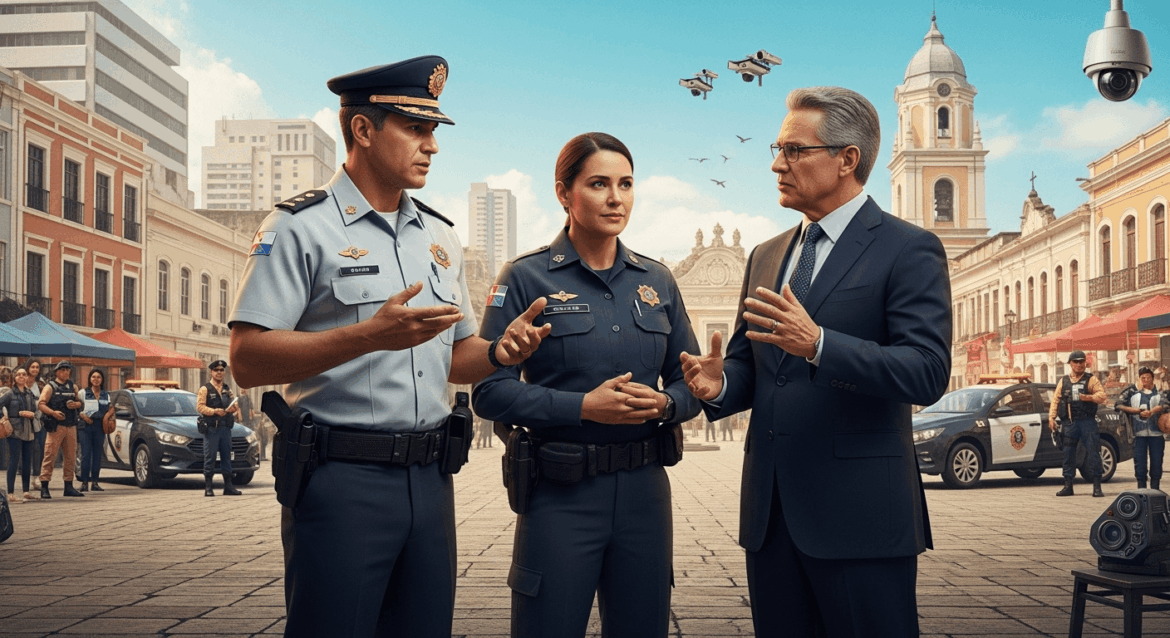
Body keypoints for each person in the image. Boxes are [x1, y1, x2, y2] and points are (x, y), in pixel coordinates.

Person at [227, 55, 549, 638]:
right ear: (363, 129)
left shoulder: (440, 237)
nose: (432, 146)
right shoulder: (298, 227)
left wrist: (501, 353)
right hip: (341, 479)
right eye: (416, 128)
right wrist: (366, 336)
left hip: (431, 480)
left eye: (433, 131)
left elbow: (455, 357)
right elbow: (247, 359)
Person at [680, 86, 952, 638]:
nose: (777, 164)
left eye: (795, 151)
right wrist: (719, 385)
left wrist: (822, 344)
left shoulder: (908, 248)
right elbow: (754, 368)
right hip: (771, 517)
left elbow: (926, 370)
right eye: (777, 150)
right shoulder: (766, 255)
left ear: (847, 159)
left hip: (861, 519)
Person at [473, 132, 702, 638]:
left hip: (645, 494)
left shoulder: (657, 280)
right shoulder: (525, 277)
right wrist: (582, 407)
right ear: (564, 193)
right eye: (599, 184)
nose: (616, 198)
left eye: (626, 184)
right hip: (560, 493)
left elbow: (690, 382)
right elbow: (488, 392)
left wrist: (667, 403)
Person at [1049, 351, 1108, 497]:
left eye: (1082, 362)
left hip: (1087, 422)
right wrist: (1051, 418)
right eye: (1076, 362)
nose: (1079, 364)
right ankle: (1068, 486)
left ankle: (1097, 487)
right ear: (1070, 363)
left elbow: (1102, 396)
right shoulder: (1063, 381)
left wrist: (1089, 397)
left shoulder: (1091, 379)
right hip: (1070, 423)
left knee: (1093, 453)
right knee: (1068, 454)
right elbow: (1055, 400)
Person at [36, 360, 85, 499]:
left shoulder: (73, 386)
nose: (66, 372)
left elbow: (80, 402)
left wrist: (76, 404)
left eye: (68, 370)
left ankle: (68, 486)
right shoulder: (50, 387)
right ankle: (44, 486)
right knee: (50, 456)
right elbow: (41, 404)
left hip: (71, 425)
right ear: (57, 372)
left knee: (70, 457)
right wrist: (53, 413)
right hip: (56, 426)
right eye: (63, 370)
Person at [1116, 366, 1166, 490]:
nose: (1145, 380)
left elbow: (1165, 404)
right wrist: (1136, 411)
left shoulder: (1160, 392)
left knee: (1157, 463)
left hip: (1157, 433)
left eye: (1148, 377)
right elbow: (1118, 405)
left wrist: (1152, 411)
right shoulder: (1132, 392)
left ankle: (1155, 489)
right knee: (1140, 464)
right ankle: (1141, 490)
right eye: (1143, 378)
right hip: (1138, 434)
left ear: (1152, 379)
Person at [196, 360, 241, 497]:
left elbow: (235, 405)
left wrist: (232, 409)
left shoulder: (227, 389)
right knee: (210, 457)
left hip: (225, 428)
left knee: (227, 457)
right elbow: (200, 407)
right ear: (211, 372)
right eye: (216, 370)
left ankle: (228, 487)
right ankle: (208, 487)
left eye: (221, 370)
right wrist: (214, 411)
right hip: (212, 429)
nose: (219, 372)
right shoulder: (205, 389)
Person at [3, 368, 37, 503]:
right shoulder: (9, 394)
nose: (21, 376)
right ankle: (10, 493)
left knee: (27, 462)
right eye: (18, 374)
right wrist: (5, 418)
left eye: (24, 374)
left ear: (27, 377)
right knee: (14, 461)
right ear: (14, 378)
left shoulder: (29, 393)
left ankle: (26, 491)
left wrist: (32, 414)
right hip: (14, 431)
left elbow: (34, 409)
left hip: (28, 430)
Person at [77, 367, 114, 492]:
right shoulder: (83, 393)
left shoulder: (106, 394)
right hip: (85, 427)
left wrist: (108, 415)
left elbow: (110, 408)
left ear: (102, 379)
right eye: (93, 377)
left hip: (99, 426)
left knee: (97, 455)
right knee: (86, 454)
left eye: (98, 377)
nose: (96, 379)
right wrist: (83, 416)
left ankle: (95, 483)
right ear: (90, 379)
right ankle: (84, 483)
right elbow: (77, 408)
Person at [23, 359, 43, 492]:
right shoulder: (21, 382)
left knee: (38, 450)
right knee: (24, 451)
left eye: (37, 367)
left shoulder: (41, 384)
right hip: (22, 421)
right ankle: (24, 479)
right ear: (28, 368)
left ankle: (36, 478)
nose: (35, 369)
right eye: (32, 367)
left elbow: (45, 401)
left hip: (38, 421)